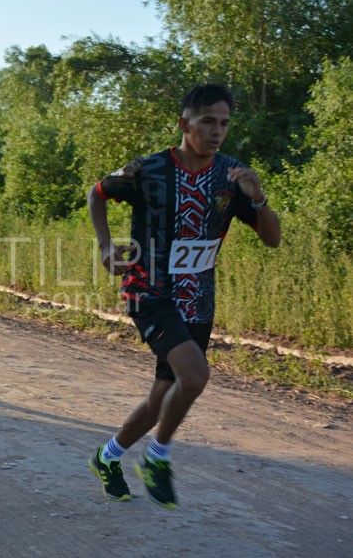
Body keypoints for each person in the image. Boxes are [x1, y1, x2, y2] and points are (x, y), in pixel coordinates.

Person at [86, 84, 281, 509]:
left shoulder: (233, 176)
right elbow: (97, 193)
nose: (217, 131)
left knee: (163, 397)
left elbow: (272, 239)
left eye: (225, 123)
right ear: (184, 123)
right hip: (148, 288)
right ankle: (158, 456)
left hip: (198, 300)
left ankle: (108, 456)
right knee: (194, 376)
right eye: (208, 121)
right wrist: (105, 245)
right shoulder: (149, 169)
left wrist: (259, 198)